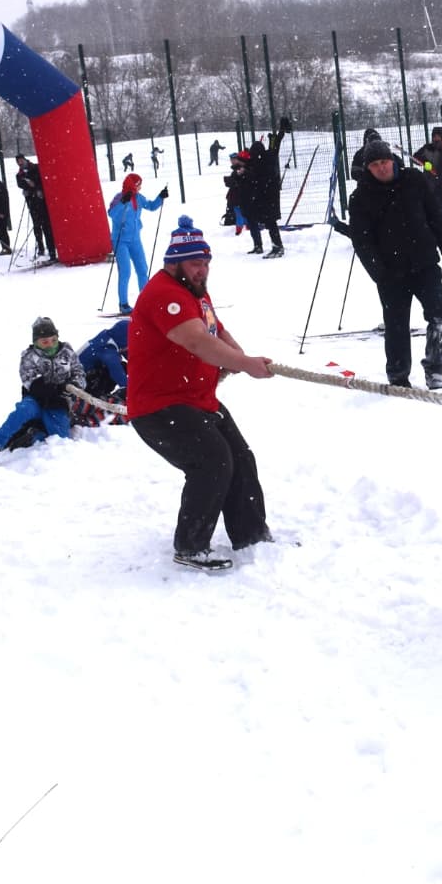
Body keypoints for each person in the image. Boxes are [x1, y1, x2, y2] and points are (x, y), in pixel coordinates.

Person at [126, 215, 275, 572]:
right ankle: (191, 547)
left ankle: (251, 534)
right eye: (195, 263)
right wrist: (245, 363)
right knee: (212, 461)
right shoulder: (165, 294)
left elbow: (214, 330)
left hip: (196, 398)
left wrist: (240, 358)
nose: (202, 269)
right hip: (159, 406)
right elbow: (194, 339)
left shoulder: (196, 292)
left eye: (206, 262)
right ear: (173, 264)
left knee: (240, 456)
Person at [347, 139, 442, 391]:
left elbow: (435, 217)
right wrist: (378, 272)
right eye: (375, 165)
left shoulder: (414, 181)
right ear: (368, 168)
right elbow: (362, 241)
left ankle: (434, 365)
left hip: (425, 263)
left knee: (440, 316)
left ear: (392, 160)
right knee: (396, 325)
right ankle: (398, 376)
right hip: (390, 272)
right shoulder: (360, 197)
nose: (381, 168)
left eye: (384, 162)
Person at [0, 317, 86, 461]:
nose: (50, 345)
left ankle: (35, 434)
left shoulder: (67, 351)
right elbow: (30, 381)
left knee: (60, 438)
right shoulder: (29, 356)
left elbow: (79, 372)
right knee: (23, 411)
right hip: (37, 398)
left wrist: (75, 385)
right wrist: (54, 389)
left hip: (59, 402)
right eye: (45, 342)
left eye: (53, 340)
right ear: (36, 342)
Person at [107, 173, 167, 314]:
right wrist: (123, 203)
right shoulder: (119, 198)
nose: (140, 187)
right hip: (120, 240)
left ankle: (145, 301)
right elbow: (112, 214)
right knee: (125, 271)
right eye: (138, 184)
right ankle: (123, 304)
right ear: (132, 185)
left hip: (135, 240)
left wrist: (161, 197)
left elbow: (151, 206)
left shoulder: (138, 198)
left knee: (142, 269)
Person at [239, 121, 289, 257]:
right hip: (270, 197)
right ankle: (276, 246)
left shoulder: (259, 163)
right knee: (270, 223)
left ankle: (278, 247)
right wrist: (279, 134)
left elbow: (255, 175)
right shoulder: (268, 157)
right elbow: (275, 146)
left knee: (270, 223)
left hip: (267, 197)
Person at [72, 318, 131, 427]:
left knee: (123, 366)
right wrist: (131, 389)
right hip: (79, 383)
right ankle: (96, 398)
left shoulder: (108, 338)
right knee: (117, 370)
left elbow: (129, 356)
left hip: (86, 376)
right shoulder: (106, 347)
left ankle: (99, 395)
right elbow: (116, 371)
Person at [15, 156, 57, 259]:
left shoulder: (35, 168)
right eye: (18, 162)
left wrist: (37, 188)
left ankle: (52, 251)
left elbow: (42, 181)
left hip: (41, 202)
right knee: (36, 226)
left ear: (25, 160)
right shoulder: (20, 174)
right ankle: (41, 248)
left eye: (21, 161)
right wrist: (28, 187)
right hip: (31, 202)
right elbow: (20, 184)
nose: (20, 163)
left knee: (46, 227)